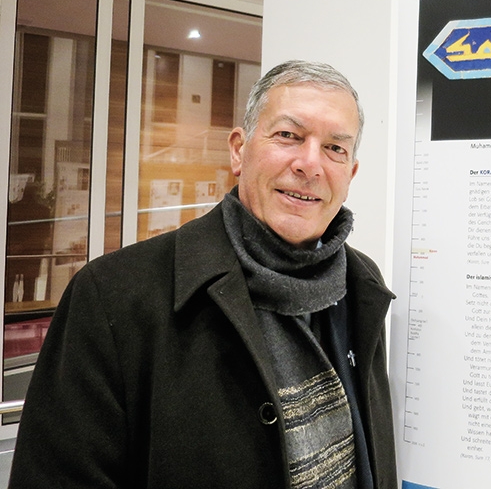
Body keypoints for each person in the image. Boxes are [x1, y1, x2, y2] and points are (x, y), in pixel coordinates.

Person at [9, 60, 397, 489]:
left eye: (335, 148)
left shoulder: (361, 286)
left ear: (350, 174)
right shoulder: (113, 296)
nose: (310, 164)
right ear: (238, 149)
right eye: (289, 135)